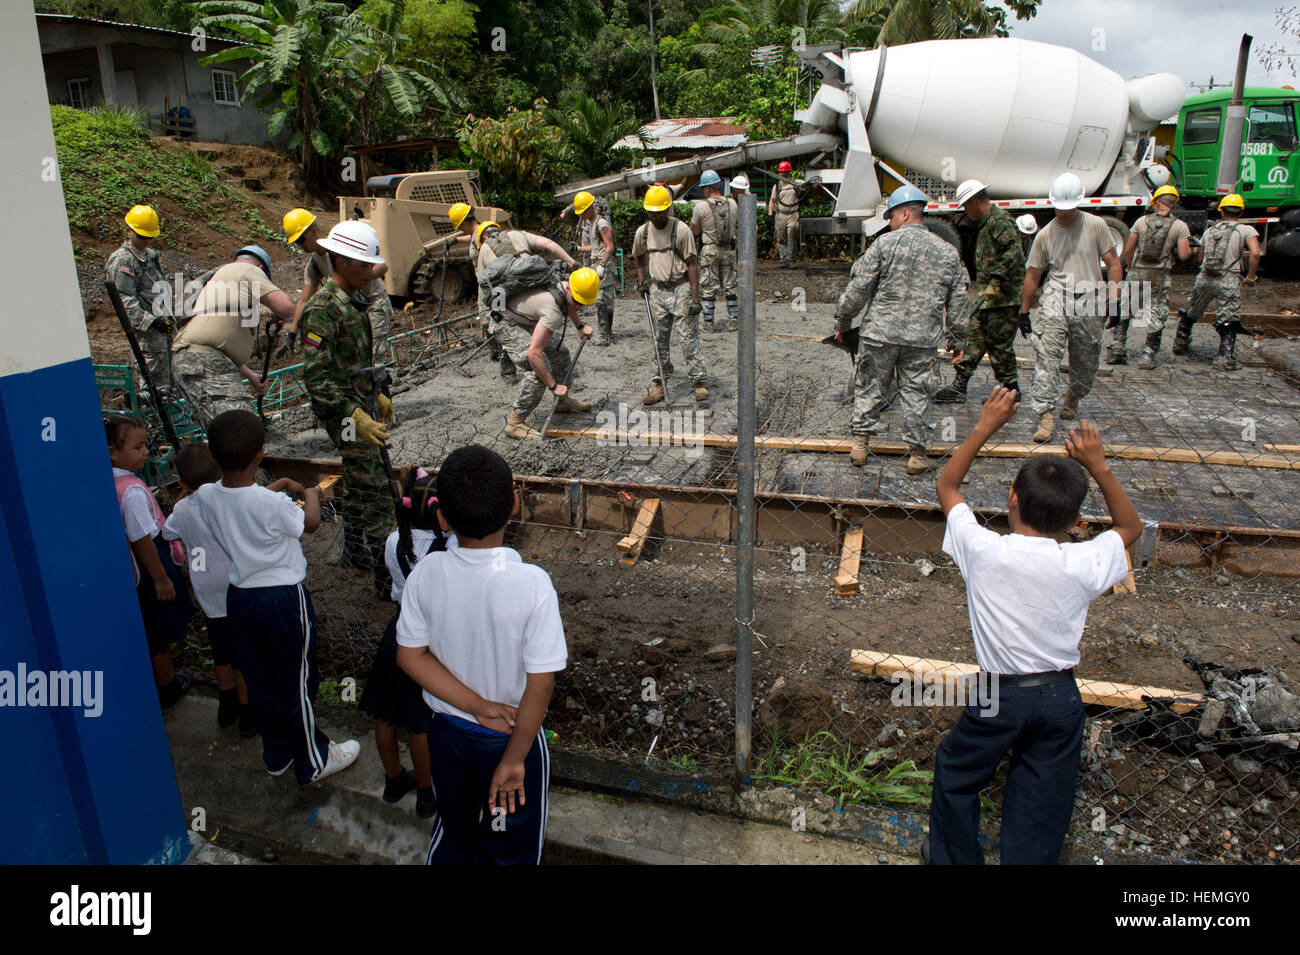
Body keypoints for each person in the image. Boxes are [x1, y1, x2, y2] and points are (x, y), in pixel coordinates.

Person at [926, 385, 1142, 865]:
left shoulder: (983, 550)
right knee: (1042, 797)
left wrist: (985, 426)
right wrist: (1098, 464)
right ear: (1078, 519)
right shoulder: (1081, 561)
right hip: (1061, 697)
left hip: (998, 693)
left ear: (1011, 499)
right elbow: (1129, 528)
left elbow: (947, 486)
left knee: (957, 770)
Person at [396, 445, 566, 865]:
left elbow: (411, 656)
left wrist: (476, 706)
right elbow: (541, 681)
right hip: (511, 737)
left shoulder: (426, 573)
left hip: (448, 733)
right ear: (514, 504)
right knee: (509, 846)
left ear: (442, 518)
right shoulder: (533, 584)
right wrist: (514, 760)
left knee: (455, 834)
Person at [195, 410, 360, 784]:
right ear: (260, 454)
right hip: (283, 600)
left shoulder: (206, 496)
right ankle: (314, 760)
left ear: (210, 453)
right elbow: (309, 524)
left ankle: (277, 754)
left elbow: (240, 502)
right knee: (296, 680)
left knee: (260, 678)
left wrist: (279, 485)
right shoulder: (273, 505)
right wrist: (313, 494)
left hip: (239, 598)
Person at [832, 185, 969, 475]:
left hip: (880, 333)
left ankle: (860, 444)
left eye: (891, 216)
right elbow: (958, 301)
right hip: (922, 338)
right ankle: (917, 455)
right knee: (917, 392)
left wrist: (843, 323)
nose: (890, 222)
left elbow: (858, 289)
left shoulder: (884, 245)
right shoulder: (948, 253)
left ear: (905, 213)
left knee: (869, 386)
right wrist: (958, 340)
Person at [301, 220, 396, 586]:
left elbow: (358, 359)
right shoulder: (322, 311)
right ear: (340, 262)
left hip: (360, 403)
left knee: (359, 478)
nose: (372, 272)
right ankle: (385, 571)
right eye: (364, 265)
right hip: (343, 412)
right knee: (375, 484)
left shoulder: (355, 301)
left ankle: (354, 550)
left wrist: (378, 392)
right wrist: (353, 414)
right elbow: (315, 377)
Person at [359, 467, 448, 819]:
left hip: (397, 632)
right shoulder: (446, 550)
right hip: (427, 641)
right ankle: (427, 795)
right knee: (420, 721)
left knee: (387, 712)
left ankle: (394, 779)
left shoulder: (395, 540)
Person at [1019, 172, 1123, 443]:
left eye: (1070, 207)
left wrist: (1115, 300)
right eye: (1060, 207)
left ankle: (1074, 395)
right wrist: (1023, 310)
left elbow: (1113, 263)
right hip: (1056, 296)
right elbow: (1033, 275)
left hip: (1089, 297)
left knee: (1085, 358)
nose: (1065, 212)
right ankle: (1045, 415)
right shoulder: (1045, 235)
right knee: (1047, 357)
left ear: (1079, 202)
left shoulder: (1096, 226)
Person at [162, 442, 254, 736]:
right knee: (243, 654)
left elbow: (167, 532)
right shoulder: (228, 502)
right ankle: (248, 710)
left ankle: (226, 701)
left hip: (207, 590)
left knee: (221, 650)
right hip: (236, 585)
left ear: (182, 482)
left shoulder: (181, 508)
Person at [107, 414, 193, 709]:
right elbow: (142, 538)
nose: (146, 452)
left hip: (135, 567)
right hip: (150, 563)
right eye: (138, 447)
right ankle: (167, 685)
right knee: (161, 628)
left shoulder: (109, 482)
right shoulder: (131, 491)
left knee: (151, 626)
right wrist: (161, 578)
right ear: (113, 452)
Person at [171, 245, 294, 429]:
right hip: (204, 363)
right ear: (261, 269)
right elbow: (286, 309)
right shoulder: (248, 269)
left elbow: (220, 344)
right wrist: (284, 315)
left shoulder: (221, 282)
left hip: (195, 361)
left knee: (223, 434)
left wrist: (251, 375)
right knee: (241, 430)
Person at [936, 180, 1024, 403]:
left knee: (999, 346)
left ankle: (1011, 391)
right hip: (989, 297)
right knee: (974, 338)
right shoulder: (986, 224)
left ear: (976, 201)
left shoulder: (1001, 222)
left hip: (1003, 300)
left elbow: (1013, 255)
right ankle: (959, 387)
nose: (966, 211)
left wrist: (994, 283)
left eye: (966, 206)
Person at [493, 267, 598, 439]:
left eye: (583, 304)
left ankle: (562, 403)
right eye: (577, 301)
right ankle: (515, 422)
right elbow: (533, 354)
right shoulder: (553, 312)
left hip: (526, 317)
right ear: (569, 289)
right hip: (506, 323)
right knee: (538, 371)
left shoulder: (565, 287)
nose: (579, 307)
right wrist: (553, 386)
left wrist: (580, 326)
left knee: (560, 353)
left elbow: (569, 304)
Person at [282, 209, 395, 367]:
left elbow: (382, 265)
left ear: (313, 231)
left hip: (374, 303)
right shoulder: (314, 264)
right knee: (354, 360)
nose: (300, 246)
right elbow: (304, 299)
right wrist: (292, 333)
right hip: (351, 311)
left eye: (301, 240)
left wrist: (366, 274)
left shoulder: (343, 246)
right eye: (296, 242)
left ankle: (378, 387)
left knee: (374, 359)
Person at [632, 185, 708, 405]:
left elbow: (692, 264)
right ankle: (660, 385)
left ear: (668, 209)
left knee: (687, 338)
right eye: (652, 213)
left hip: (681, 287)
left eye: (659, 212)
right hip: (657, 289)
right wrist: (641, 280)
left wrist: (695, 297)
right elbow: (638, 257)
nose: (656, 216)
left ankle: (699, 382)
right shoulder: (643, 232)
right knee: (659, 340)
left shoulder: (681, 230)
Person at [475, 221, 579, 380]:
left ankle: (509, 373)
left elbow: (486, 289)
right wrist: (571, 263)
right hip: (535, 294)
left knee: (509, 335)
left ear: (483, 237)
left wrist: (490, 319)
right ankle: (559, 371)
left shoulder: (484, 249)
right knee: (545, 331)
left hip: (508, 304)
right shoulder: (518, 234)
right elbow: (549, 244)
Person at [1174, 193, 1261, 371]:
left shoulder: (1210, 231)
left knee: (1193, 311)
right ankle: (1225, 357)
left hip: (1205, 277)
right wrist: (1251, 275)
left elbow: (1201, 256)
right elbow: (1255, 253)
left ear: (1221, 211)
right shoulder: (1246, 230)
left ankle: (1180, 342)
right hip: (1228, 279)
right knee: (1228, 318)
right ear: (1241, 212)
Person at [1113, 185, 1191, 368]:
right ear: (1174, 204)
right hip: (1159, 275)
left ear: (1156, 202)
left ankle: (1118, 348)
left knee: (1126, 309)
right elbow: (1184, 255)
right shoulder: (1179, 226)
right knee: (1156, 312)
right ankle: (1148, 355)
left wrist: (1131, 266)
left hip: (1137, 271)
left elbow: (1129, 248)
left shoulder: (1141, 222)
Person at [106, 205, 174, 399]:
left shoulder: (150, 256)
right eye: (142, 237)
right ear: (128, 230)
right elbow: (124, 300)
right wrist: (151, 321)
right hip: (146, 334)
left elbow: (157, 285)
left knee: (170, 383)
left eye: (150, 237)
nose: (146, 241)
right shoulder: (122, 261)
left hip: (164, 327)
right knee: (153, 387)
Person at [690, 170, 739, 332]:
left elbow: (695, 231)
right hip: (729, 250)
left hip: (709, 250)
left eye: (704, 188)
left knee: (708, 287)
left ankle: (709, 324)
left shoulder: (701, 207)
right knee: (730, 286)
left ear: (708, 188)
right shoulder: (732, 204)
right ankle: (733, 320)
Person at [573, 192, 618, 346]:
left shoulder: (602, 223)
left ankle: (604, 335)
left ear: (590, 208)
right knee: (602, 300)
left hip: (602, 265)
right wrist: (580, 249)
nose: (582, 216)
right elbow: (596, 246)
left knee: (603, 300)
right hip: (596, 262)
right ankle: (606, 333)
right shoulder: (592, 223)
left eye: (583, 212)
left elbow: (610, 247)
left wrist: (602, 264)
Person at [767, 160, 803, 267]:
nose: (783, 174)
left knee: (792, 236)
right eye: (781, 172)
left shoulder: (795, 184)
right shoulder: (777, 186)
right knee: (780, 238)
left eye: (785, 172)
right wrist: (770, 213)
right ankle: (783, 260)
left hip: (793, 214)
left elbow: (806, 187)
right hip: (780, 214)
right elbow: (772, 200)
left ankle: (791, 260)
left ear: (789, 173)